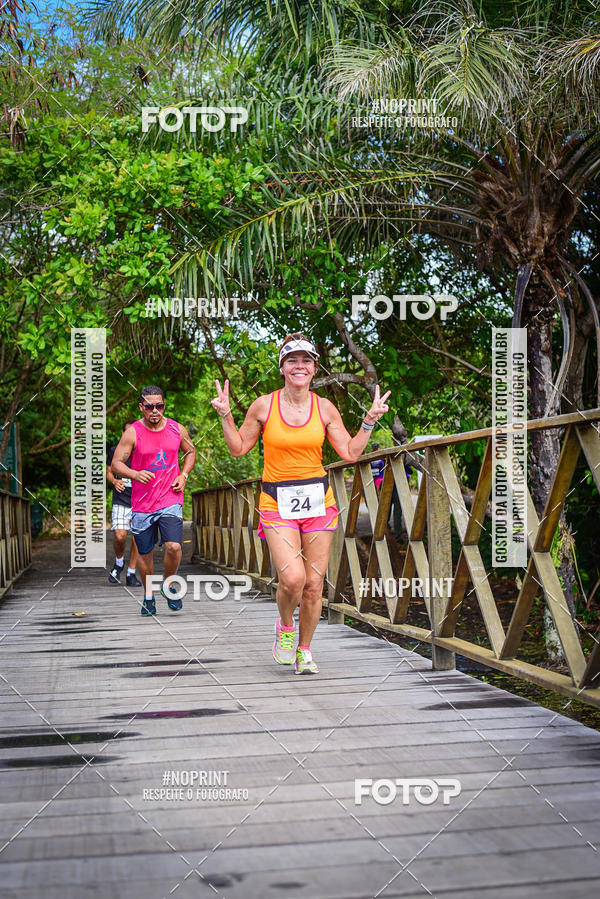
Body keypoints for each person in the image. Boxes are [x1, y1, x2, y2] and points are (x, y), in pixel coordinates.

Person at [211, 333, 390, 674]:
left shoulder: (324, 408)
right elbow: (237, 449)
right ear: (282, 367)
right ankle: (285, 626)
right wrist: (226, 416)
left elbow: (350, 453)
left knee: (313, 584)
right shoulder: (264, 405)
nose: (299, 366)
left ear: (314, 368)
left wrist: (369, 421)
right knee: (292, 578)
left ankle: (305, 650)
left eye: (306, 360)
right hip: (276, 501)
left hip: (318, 502)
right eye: (292, 360)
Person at [111, 386, 196, 616]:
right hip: (142, 504)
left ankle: (169, 586)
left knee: (174, 546)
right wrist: (134, 474)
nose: (155, 410)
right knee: (145, 553)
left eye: (159, 405)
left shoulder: (176, 428)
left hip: (170, 498)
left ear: (164, 406)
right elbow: (117, 463)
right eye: (149, 406)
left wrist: (184, 475)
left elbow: (190, 452)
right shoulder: (133, 433)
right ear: (142, 407)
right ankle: (149, 597)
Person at [106, 420, 141, 586]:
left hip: (140, 501)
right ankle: (119, 562)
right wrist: (114, 481)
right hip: (121, 499)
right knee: (120, 536)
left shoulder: (143, 451)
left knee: (137, 538)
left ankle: (131, 572)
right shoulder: (115, 451)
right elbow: (108, 471)